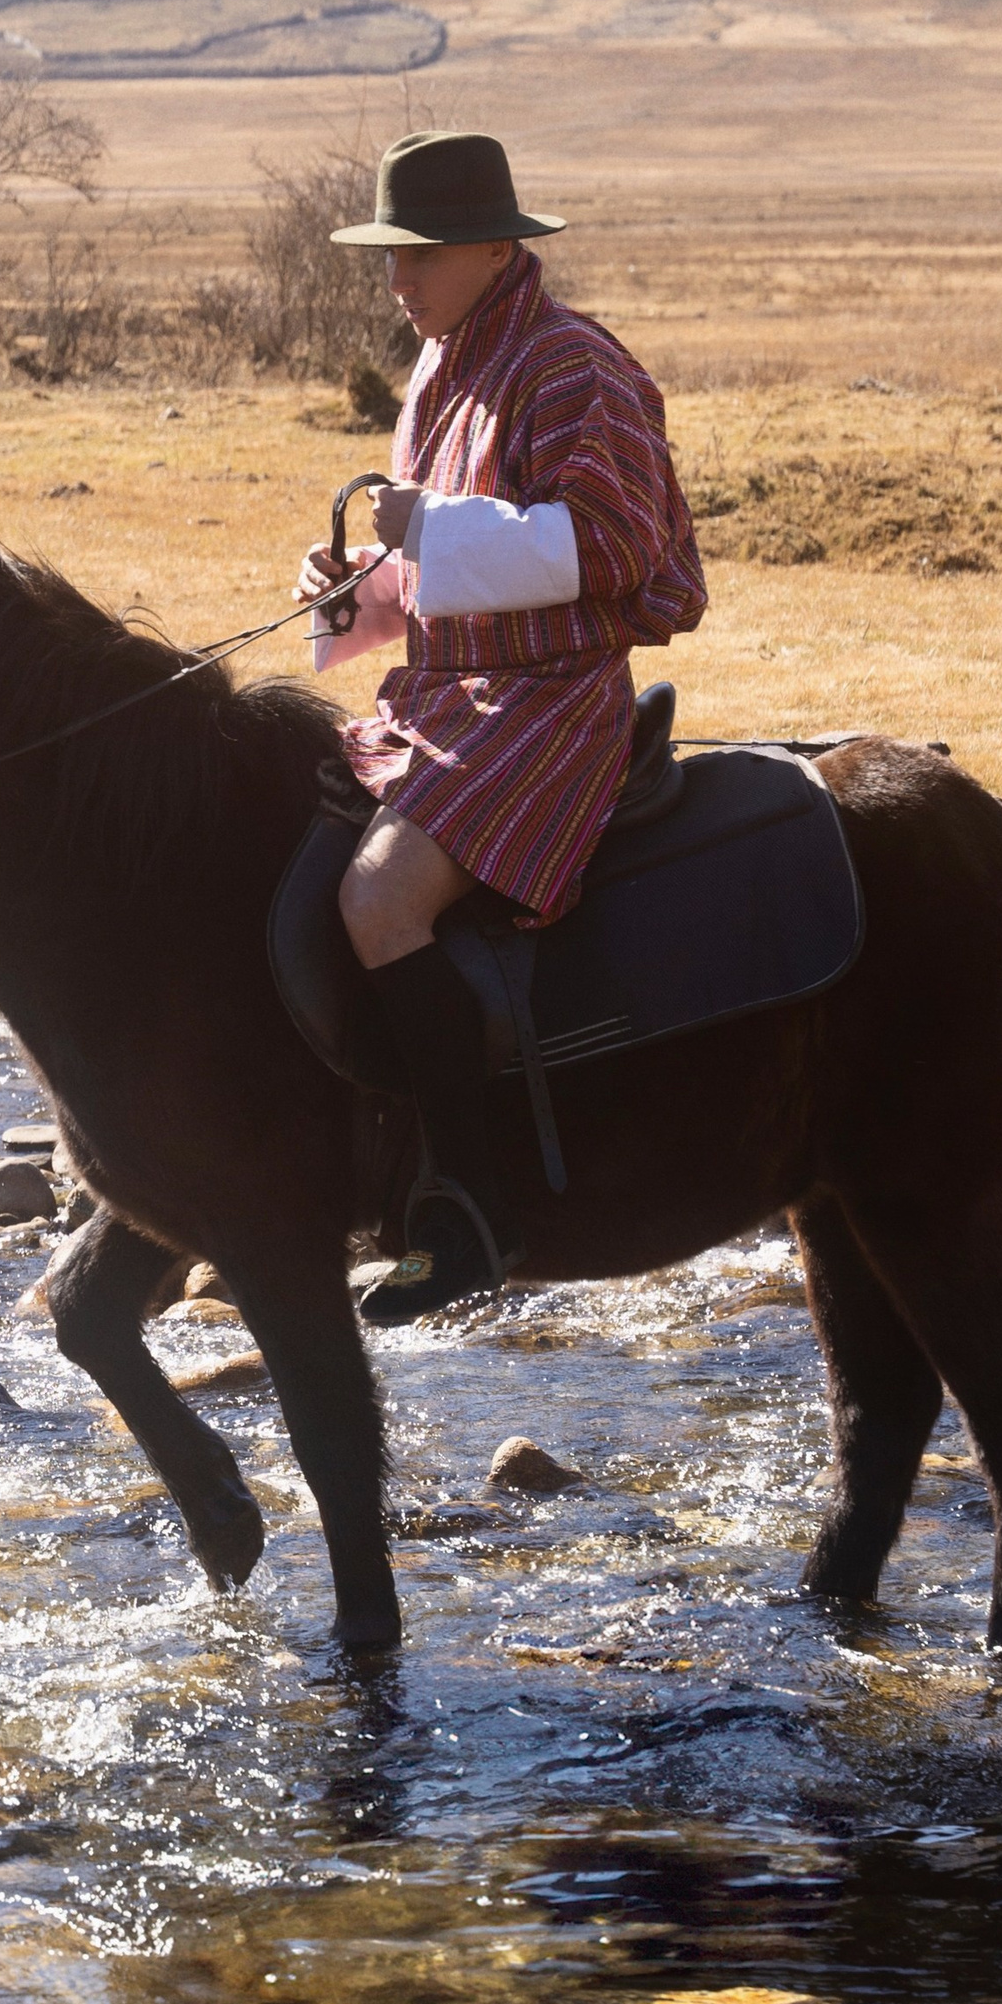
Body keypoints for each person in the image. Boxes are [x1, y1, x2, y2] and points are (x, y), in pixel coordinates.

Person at [297, 129, 707, 1321]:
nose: (396, 282)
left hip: (550, 700)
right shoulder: (442, 366)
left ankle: (467, 1207)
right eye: (388, 257)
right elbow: (443, 562)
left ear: (492, 247)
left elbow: (606, 548)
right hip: (446, 695)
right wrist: (360, 584)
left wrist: (427, 536)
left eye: (417, 256)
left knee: (378, 900)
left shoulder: (574, 366)